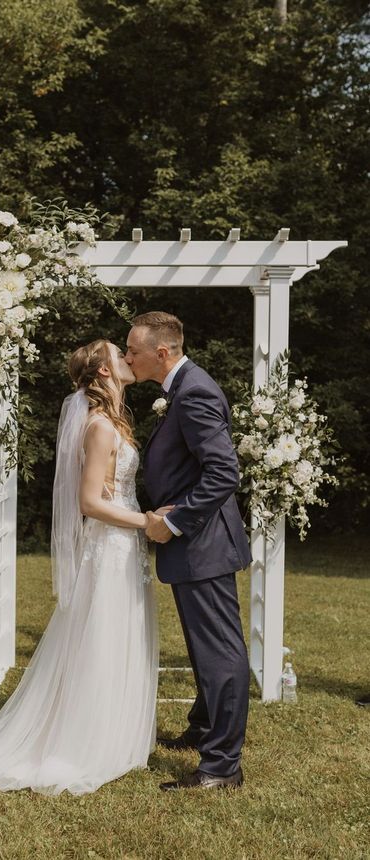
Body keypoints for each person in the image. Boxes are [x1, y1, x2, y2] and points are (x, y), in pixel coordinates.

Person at [0, 339, 160, 796]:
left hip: (126, 545)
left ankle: (117, 734)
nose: (127, 358)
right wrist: (146, 521)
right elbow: (89, 502)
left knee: (122, 632)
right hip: (112, 546)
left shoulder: (116, 420)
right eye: (119, 354)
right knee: (102, 635)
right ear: (102, 372)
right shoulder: (100, 427)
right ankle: (88, 741)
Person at [126, 311, 252, 792]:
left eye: (133, 351)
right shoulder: (181, 388)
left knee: (220, 652)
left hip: (202, 543)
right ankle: (203, 729)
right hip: (198, 546)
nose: (127, 358)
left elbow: (223, 472)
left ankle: (222, 766)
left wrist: (173, 522)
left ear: (162, 353)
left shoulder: (194, 390)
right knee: (206, 650)